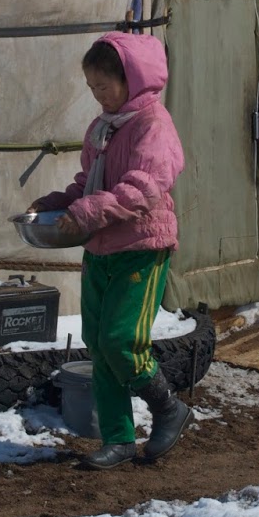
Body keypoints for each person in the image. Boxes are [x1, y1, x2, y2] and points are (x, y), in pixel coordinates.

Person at [30, 31, 192, 469]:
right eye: (92, 88)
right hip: (101, 248)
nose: (97, 95)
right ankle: (119, 439)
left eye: (104, 86)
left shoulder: (153, 126)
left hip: (142, 247)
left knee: (122, 341)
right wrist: (58, 204)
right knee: (99, 346)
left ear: (131, 79)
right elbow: (91, 183)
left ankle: (168, 407)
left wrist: (85, 211)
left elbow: (143, 189)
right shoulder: (104, 127)